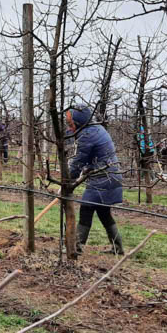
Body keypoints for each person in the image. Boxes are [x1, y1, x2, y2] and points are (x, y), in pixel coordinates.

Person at [67, 105, 125, 255]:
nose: (69, 127)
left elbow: (79, 160)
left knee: (86, 208)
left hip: (103, 178)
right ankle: (118, 248)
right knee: (103, 212)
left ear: (79, 122)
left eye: (70, 123)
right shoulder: (96, 128)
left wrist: (67, 179)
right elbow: (94, 157)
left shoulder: (87, 135)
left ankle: (76, 248)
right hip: (109, 174)